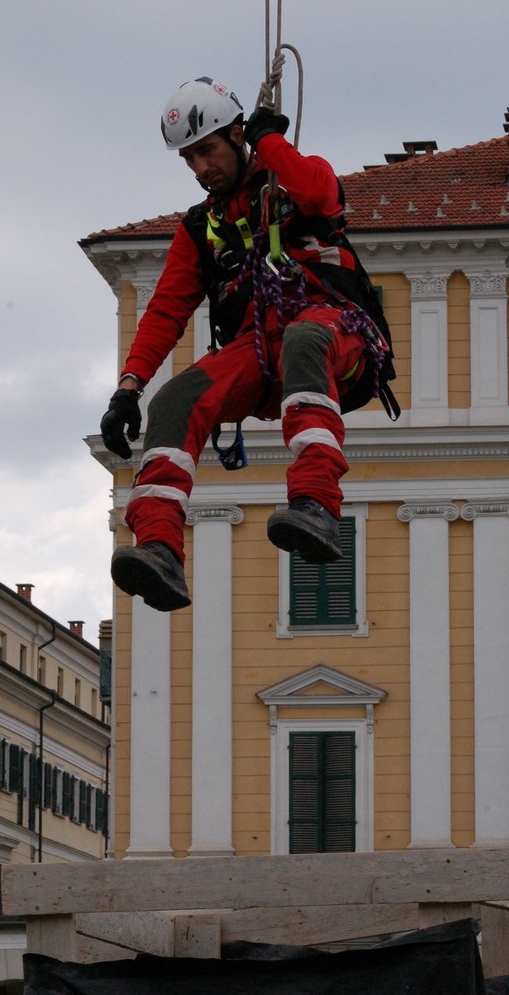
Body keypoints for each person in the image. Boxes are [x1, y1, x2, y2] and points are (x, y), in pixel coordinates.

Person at [100, 76, 392, 612]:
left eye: (207, 151)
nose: (200, 169)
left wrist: (272, 143)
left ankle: (316, 505)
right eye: (188, 159)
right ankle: (160, 547)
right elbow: (166, 309)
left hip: (335, 331)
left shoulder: (292, 180)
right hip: (262, 351)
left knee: (305, 337)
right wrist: (128, 388)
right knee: (175, 400)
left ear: (237, 136)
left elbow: (322, 196)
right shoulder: (201, 227)